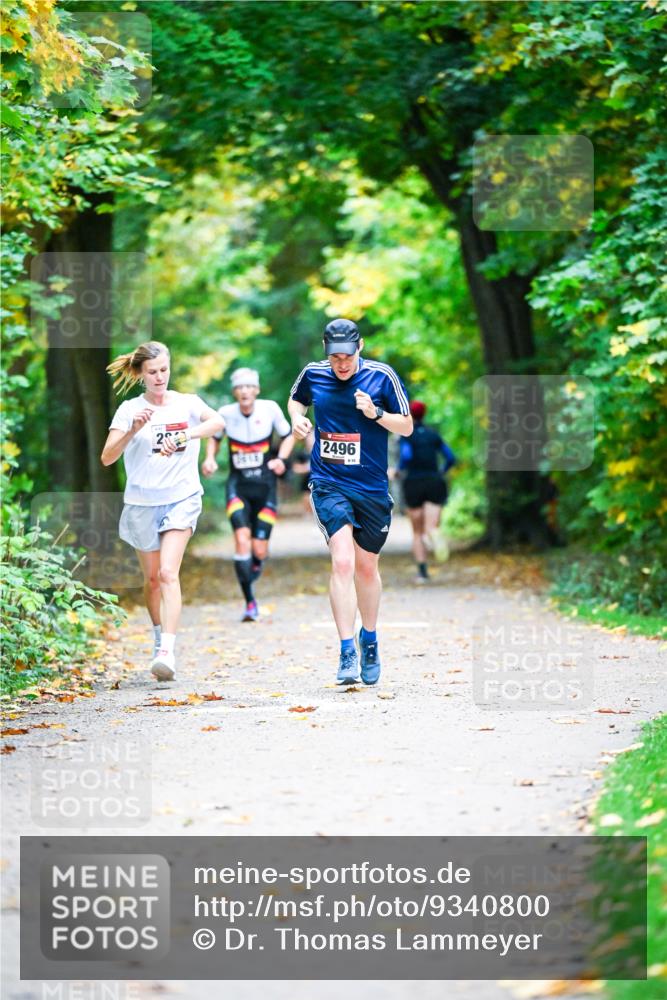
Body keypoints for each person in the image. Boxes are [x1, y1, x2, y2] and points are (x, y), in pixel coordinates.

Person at [288, 318, 413, 686]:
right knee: (342, 561)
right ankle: (346, 650)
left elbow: (406, 426)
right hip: (329, 482)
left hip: (371, 487)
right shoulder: (314, 373)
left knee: (366, 568)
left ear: (360, 348)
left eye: (347, 356)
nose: (341, 364)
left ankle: (369, 638)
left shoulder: (382, 377)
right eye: (334, 357)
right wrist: (298, 421)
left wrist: (376, 413)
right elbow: (296, 402)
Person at [101, 341, 224, 682]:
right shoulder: (129, 410)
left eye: (164, 370)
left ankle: (167, 650)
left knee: (169, 573)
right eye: (152, 372)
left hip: (181, 498)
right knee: (152, 580)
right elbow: (107, 457)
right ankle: (158, 635)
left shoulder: (186, 403)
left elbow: (217, 422)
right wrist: (132, 430)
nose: (159, 377)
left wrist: (187, 434)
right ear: (141, 374)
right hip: (142, 503)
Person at [201, 368, 294, 621]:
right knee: (242, 539)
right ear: (234, 392)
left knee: (259, 550)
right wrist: (210, 459)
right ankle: (250, 602)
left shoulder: (270, 409)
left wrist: (281, 460)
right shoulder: (225, 414)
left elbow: (289, 436)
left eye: (249, 387)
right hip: (238, 487)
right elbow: (214, 437)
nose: (244, 391)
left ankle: (254, 563)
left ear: (256, 390)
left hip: (266, 488)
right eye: (239, 387)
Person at [397, 400, 457, 584]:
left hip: (413, 482)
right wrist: (441, 472)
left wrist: (399, 470)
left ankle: (422, 573)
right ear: (424, 414)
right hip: (434, 481)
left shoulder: (406, 434)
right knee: (431, 527)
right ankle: (435, 536)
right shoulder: (433, 435)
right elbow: (450, 457)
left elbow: (406, 456)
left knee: (417, 532)